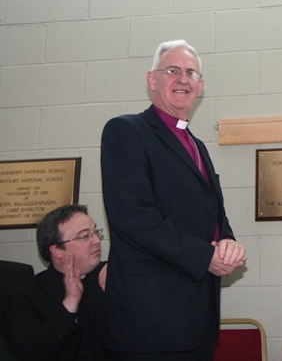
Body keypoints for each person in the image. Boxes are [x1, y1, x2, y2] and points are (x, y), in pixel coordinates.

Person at [101, 39, 247, 361]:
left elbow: (211, 214)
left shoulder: (196, 145)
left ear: (201, 86)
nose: (183, 79)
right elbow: (133, 218)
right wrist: (203, 256)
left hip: (198, 319)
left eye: (191, 73)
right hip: (151, 322)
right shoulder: (126, 131)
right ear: (152, 79)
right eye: (172, 70)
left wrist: (227, 242)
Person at [2, 204, 108, 360]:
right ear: (58, 250)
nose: (96, 241)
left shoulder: (112, 275)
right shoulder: (25, 295)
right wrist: (69, 304)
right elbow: (28, 353)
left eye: (96, 232)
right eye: (85, 236)